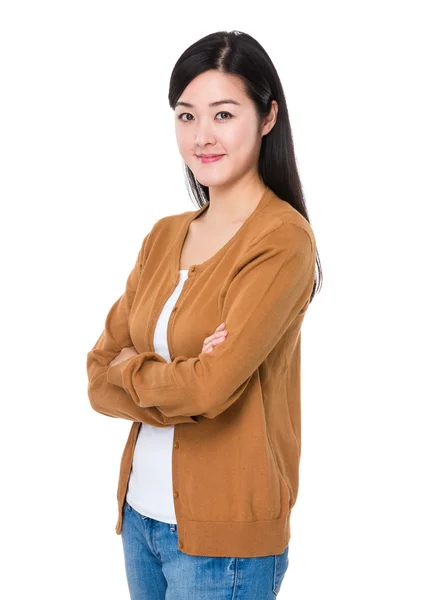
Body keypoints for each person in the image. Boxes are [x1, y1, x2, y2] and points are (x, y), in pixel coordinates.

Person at [86, 29, 322, 599]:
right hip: (140, 519)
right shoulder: (165, 236)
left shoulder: (282, 241)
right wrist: (176, 379)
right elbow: (96, 376)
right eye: (186, 116)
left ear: (268, 117)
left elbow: (212, 390)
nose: (202, 136)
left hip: (224, 545)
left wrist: (135, 369)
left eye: (223, 113)